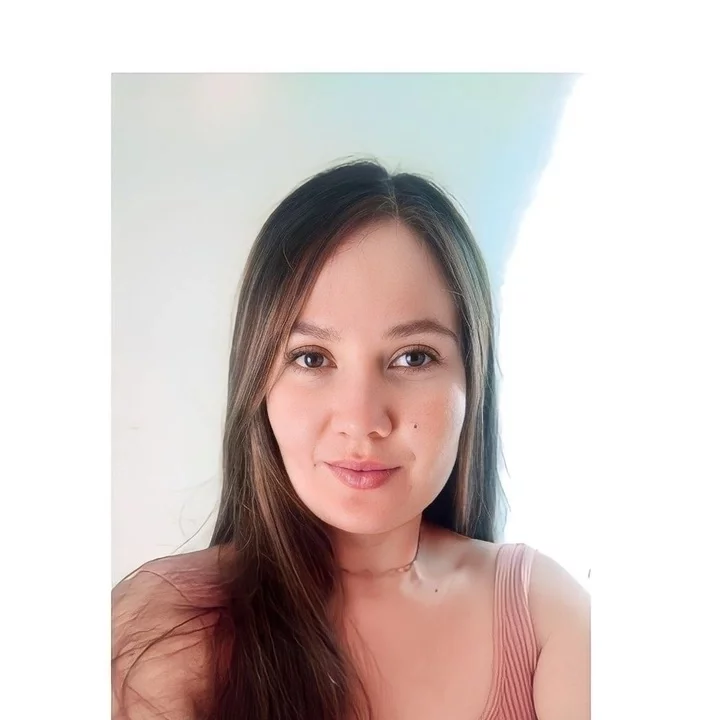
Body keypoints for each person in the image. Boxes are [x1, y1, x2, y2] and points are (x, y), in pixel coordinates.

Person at [112, 160, 590, 720]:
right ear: (257, 382)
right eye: (312, 358)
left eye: (414, 358)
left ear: (471, 382)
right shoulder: (163, 626)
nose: (362, 420)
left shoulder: (543, 616)